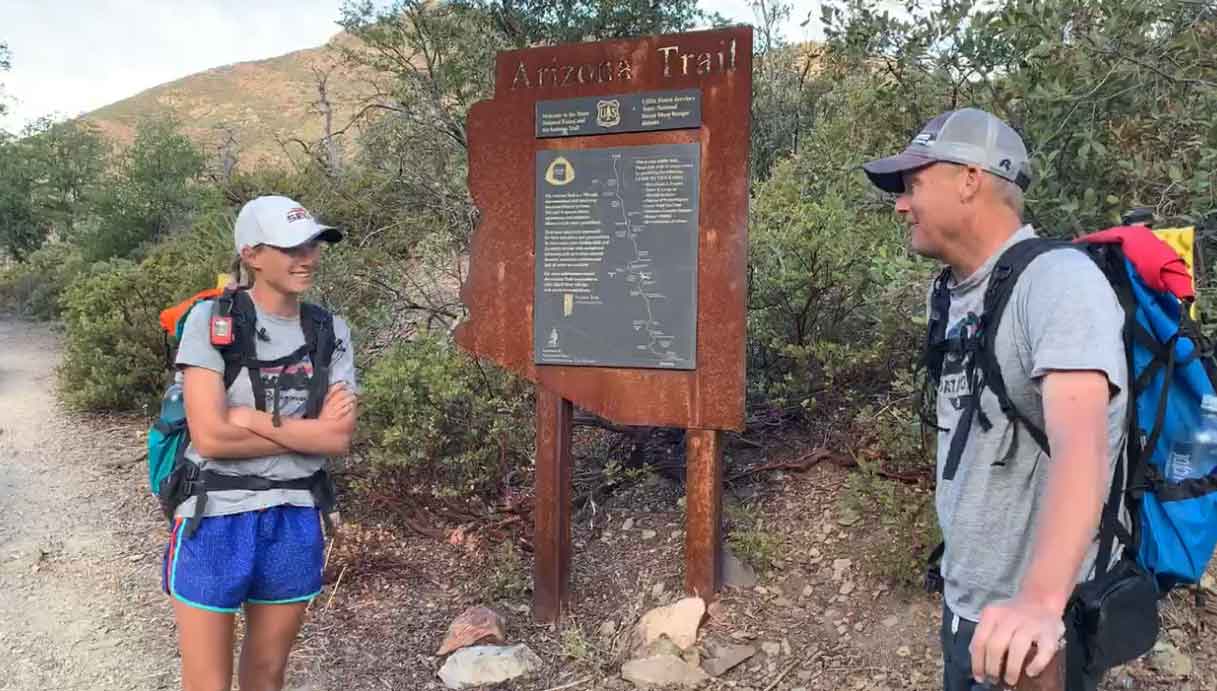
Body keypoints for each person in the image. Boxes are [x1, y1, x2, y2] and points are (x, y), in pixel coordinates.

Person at [862, 109, 1128, 690]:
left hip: (1035, 630)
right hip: (970, 607)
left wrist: (1039, 602)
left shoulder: (1059, 284)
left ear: (969, 179)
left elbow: (1083, 449)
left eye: (913, 184)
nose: (901, 204)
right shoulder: (955, 292)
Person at [163, 195, 357, 691]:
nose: (307, 257)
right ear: (251, 254)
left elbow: (337, 437)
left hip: (294, 514)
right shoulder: (212, 322)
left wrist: (250, 419)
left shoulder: (330, 331)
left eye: (313, 243)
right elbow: (210, 436)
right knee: (207, 682)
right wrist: (302, 435)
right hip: (214, 512)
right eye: (290, 247)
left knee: (268, 675)